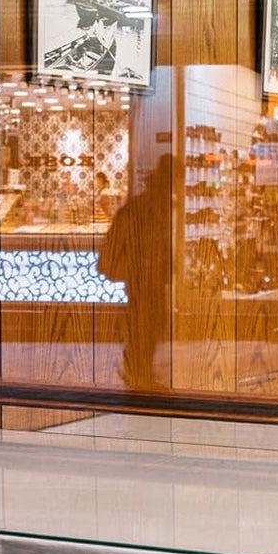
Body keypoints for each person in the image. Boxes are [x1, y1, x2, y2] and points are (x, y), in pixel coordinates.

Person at [96, 155, 174, 389]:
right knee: (146, 324)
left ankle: (138, 371)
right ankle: (137, 373)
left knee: (149, 324)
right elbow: (148, 244)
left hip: (145, 276)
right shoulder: (147, 209)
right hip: (143, 277)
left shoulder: (147, 206)